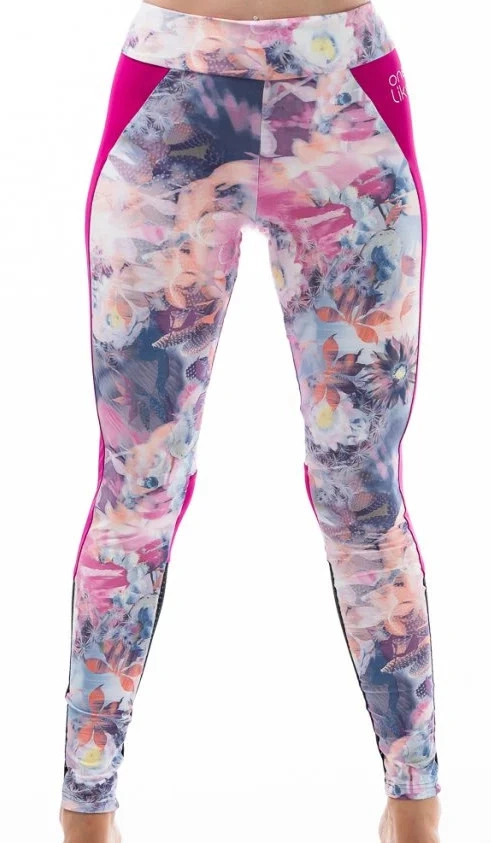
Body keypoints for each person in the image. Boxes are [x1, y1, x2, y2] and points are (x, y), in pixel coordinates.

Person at [58, 0, 442, 840]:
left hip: (343, 96)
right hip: (172, 91)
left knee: (362, 492)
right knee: (137, 492)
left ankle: (416, 808)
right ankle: (85, 813)